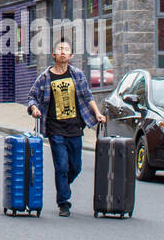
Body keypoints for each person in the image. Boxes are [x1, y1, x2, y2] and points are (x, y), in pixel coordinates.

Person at [27, 38, 106, 217]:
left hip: (75, 128)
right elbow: (32, 96)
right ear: (54, 55)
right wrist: (34, 109)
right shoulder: (46, 77)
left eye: (66, 49)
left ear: (70, 56)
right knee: (61, 166)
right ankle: (63, 202)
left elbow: (88, 96)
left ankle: (63, 186)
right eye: (59, 49)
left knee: (75, 167)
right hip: (55, 128)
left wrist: (98, 113)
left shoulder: (77, 75)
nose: (63, 51)